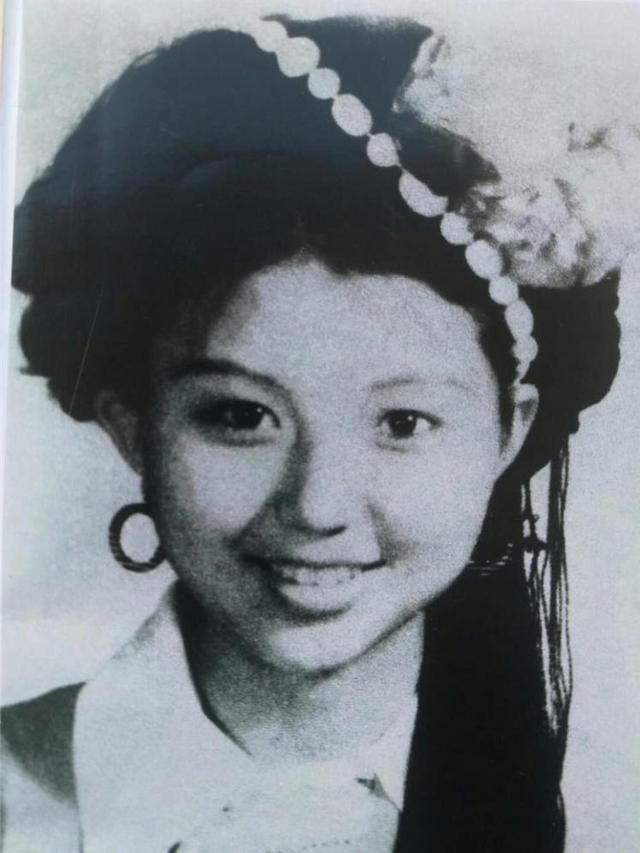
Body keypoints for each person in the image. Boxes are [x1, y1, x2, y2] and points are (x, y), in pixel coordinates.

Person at [1, 14, 625, 853]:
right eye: (241, 416)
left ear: (507, 434)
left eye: (402, 422)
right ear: (134, 426)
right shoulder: (17, 800)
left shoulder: (609, 818)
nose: (318, 505)